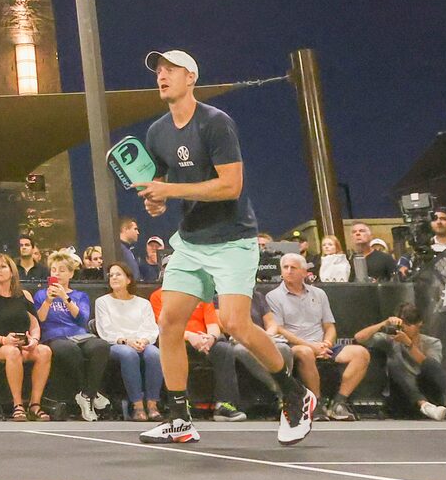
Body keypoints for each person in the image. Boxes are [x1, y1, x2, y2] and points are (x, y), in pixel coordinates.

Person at [132, 49, 315, 446]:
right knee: (169, 323)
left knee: (234, 324)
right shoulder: (157, 132)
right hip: (191, 242)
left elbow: (231, 186)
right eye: (158, 72)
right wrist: (157, 200)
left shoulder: (217, 123)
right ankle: (179, 418)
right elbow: (163, 188)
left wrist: (170, 190)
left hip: (233, 239)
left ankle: (294, 393)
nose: (161, 77)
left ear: (191, 78)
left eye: (170, 71)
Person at [262, 252, 371, 420]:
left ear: (304, 272)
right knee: (305, 352)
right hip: (294, 345)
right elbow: (279, 329)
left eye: (293, 267)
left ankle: (339, 403)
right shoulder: (273, 296)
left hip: (321, 344)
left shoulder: (319, 294)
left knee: (361, 353)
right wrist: (311, 346)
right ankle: (316, 404)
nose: (289, 271)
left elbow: (329, 326)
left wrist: (326, 343)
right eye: (285, 267)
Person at [348, 294, 446, 420]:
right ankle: (424, 406)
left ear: (419, 324)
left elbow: (430, 367)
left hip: (427, 390)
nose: (405, 329)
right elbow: (359, 338)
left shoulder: (432, 343)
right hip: (404, 396)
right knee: (394, 365)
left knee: (430, 363)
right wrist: (384, 323)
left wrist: (408, 344)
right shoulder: (391, 341)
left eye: (409, 325)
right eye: (403, 325)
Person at [0, 251, 49, 420]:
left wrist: (34, 340)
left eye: (3, 267)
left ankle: (35, 405)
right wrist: (3, 340)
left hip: (22, 345)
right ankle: (18, 405)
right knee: (11, 351)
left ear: (12, 271)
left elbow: (35, 325)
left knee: (45, 351)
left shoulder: (24, 295)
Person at [33, 252, 106, 419]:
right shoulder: (41, 295)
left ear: (71, 273)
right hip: (54, 336)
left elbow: (82, 320)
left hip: (79, 334)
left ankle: (87, 394)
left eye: (62, 270)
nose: (57, 274)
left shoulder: (80, 296)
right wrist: (48, 301)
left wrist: (65, 298)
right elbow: (40, 320)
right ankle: (90, 393)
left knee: (101, 346)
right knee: (69, 349)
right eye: (54, 270)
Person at [93, 263, 164, 422]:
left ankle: (152, 404)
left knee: (154, 354)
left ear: (129, 279)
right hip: (117, 343)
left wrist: (144, 340)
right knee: (128, 354)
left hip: (141, 342)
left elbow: (152, 329)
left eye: (118, 274)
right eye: (111, 275)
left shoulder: (143, 303)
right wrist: (126, 340)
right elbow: (105, 330)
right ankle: (137, 405)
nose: (114, 278)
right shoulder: (102, 302)